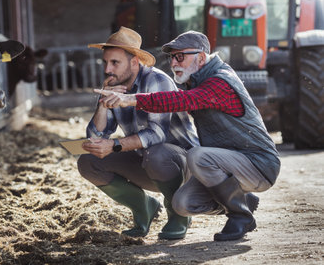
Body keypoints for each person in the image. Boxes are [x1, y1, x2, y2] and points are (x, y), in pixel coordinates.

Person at [94, 30, 281, 241]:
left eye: (180, 56)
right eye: (172, 57)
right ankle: (241, 200)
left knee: (198, 156)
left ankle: (239, 216)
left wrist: (131, 99)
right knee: (182, 205)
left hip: (259, 164)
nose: (174, 63)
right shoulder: (198, 80)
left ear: (201, 58)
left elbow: (182, 100)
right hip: (228, 164)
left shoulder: (220, 81)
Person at [78, 27, 199, 239]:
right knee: (88, 162)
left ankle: (179, 214)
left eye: (115, 63)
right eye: (105, 62)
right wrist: (103, 104)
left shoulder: (156, 81)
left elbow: (156, 135)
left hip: (182, 165)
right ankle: (143, 208)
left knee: (157, 153)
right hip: (148, 162)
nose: (108, 70)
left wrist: (115, 146)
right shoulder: (116, 86)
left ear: (134, 62)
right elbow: (96, 135)